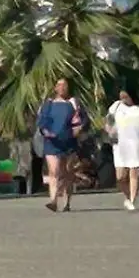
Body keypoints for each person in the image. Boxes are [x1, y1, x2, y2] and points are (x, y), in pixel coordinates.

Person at [36, 78, 87, 213]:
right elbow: (42, 121)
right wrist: (46, 131)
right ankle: (53, 200)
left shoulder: (73, 103)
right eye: (59, 85)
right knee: (54, 171)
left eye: (65, 85)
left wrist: (78, 130)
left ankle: (67, 202)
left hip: (68, 142)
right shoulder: (48, 104)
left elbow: (81, 121)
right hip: (51, 142)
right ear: (55, 88)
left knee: (67, 173)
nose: (62, 87)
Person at [106, 86, 139, 211]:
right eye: (121, 96)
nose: (123, 99)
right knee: (120, 177)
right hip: (120, 146)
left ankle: (132, 200)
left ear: (132, 95)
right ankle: (128, 196)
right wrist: (109, 130)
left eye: (126, 96)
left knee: (134, 173)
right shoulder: (116, 106)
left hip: (137, 145)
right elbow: (108, 122)